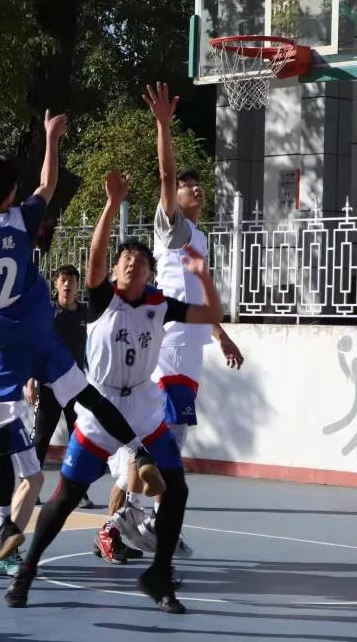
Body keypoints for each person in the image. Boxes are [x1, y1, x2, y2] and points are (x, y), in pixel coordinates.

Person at [0, 112, 165, 562]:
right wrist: (51, 137)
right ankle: (138, 450)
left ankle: (4, 523)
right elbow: (47, 184)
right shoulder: (21, 220)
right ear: (13, 192)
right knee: (88, 395)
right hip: (34, 333)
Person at [5, 170, 222, 614]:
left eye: (139, 261)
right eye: (124, 259)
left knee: (177, 489)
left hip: (143, 404)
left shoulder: (160, 304)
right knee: (67, 495)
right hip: (100, 405)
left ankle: (159, 573)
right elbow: (95, 254)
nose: (130, 264)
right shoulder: (104, 297)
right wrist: (111, 205)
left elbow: (211, 314)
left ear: (150, 273)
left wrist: (204, 276)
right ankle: (27, 569)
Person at [115, 83, 246, 555]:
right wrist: (163, 126)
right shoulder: (172, 228)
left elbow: (195, 296)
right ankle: (135, 514)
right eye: (189, 184)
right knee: (163, 437)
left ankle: (143, 516)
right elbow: (166, 174)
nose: (195, 187)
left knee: (174, 436)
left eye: (198, 183)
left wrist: (220, 334)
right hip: (168, 346)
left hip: (191, 349)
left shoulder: (199, 239)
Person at [30, 264, 95, 510]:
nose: (67, 284)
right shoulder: (46, 312)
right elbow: (34, 345)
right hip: (49, 385)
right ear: (56, 284)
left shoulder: (86, 313)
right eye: (63, 280)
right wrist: (30, 379)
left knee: (79, 439)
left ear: (78, 285)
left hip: (76, 386)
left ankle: (79, 492)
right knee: (40, 439)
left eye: (72, 280)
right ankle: (31, 489)